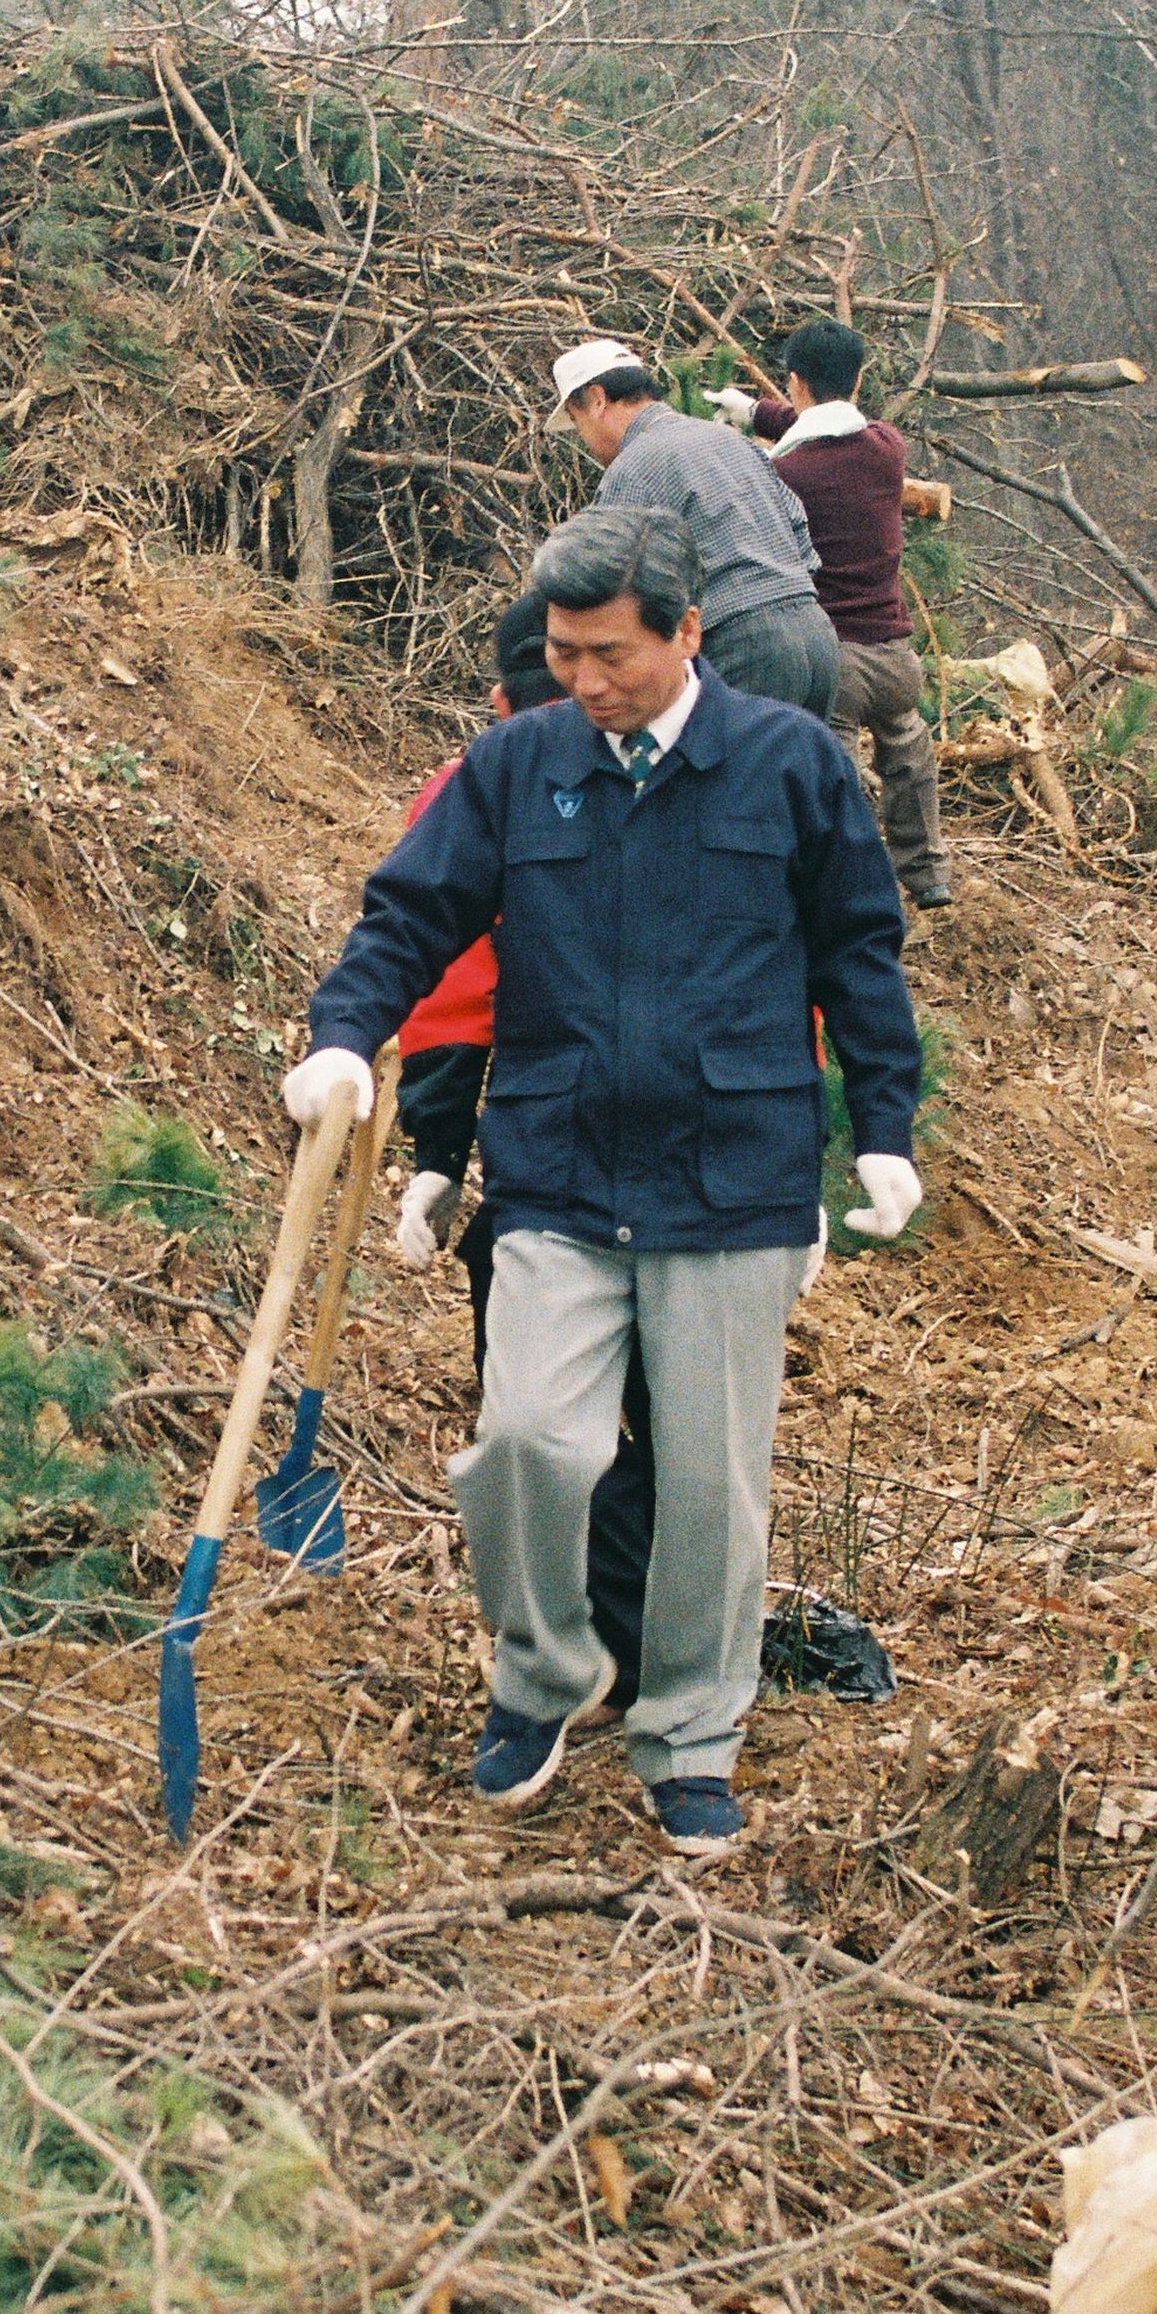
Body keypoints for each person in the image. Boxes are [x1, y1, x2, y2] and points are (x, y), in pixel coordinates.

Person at [292, 504, 926, 1857]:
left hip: (731, 1183)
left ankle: (689, 1736)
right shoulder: (516, 766)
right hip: (559, 1172)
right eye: (563, 652)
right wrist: (345, 1036)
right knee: (528, 1438)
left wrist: (882, 1127)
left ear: (686, 632)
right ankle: (543, 1670)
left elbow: (859, 954)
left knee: (708, 1489)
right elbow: (409, 914)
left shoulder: (790, 763)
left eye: (609, 654)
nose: (582, 680)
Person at [387, 584, 657, 1719]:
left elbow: (450, 995)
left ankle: (615, 1656)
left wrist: (438, 1152)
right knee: (626, 1429)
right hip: (608, 1164)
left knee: (572, 1423)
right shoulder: (702, 763)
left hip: (606, 1173)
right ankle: (619, 1657)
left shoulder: (478, 782)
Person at [715, 320, 958, 908]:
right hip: (894, 652)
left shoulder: (784, 475)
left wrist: (745, 426)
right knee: (908, 750)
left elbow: (801, 445)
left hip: (832, 653)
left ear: (795, 380)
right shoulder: (887, 448)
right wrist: (757, 412)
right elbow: (826, 425)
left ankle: (851, 886)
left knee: (836, 774)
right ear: (859, 376)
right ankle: (929, 875)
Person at [551, 339, 839, 717]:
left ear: (597, 399)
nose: (585, 439)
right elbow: (801, 532)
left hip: (742, 646)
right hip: (817, 636)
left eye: (577, 421)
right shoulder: (733, 442)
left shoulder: (633, 468)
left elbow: (607, 583)